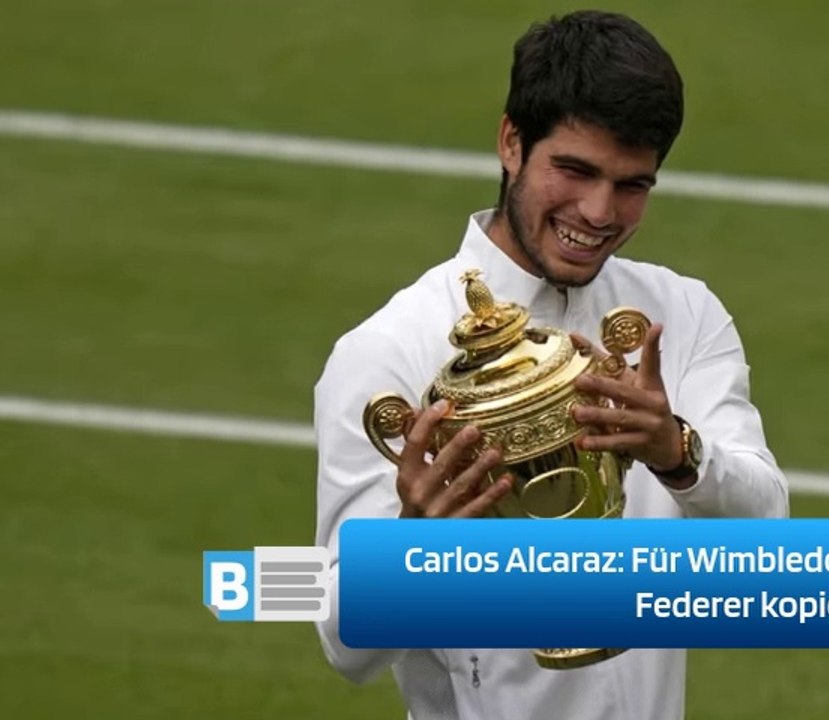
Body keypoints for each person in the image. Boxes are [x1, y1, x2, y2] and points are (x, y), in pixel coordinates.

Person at [313, 10, 788, 720]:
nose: (599, 212)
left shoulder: (680, 317)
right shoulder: (389, 353)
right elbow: (344, 646)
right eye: (575, 170)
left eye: (633, 185)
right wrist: (413, 547)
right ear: (512, 142)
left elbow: (767, 537)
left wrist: (678, 452)